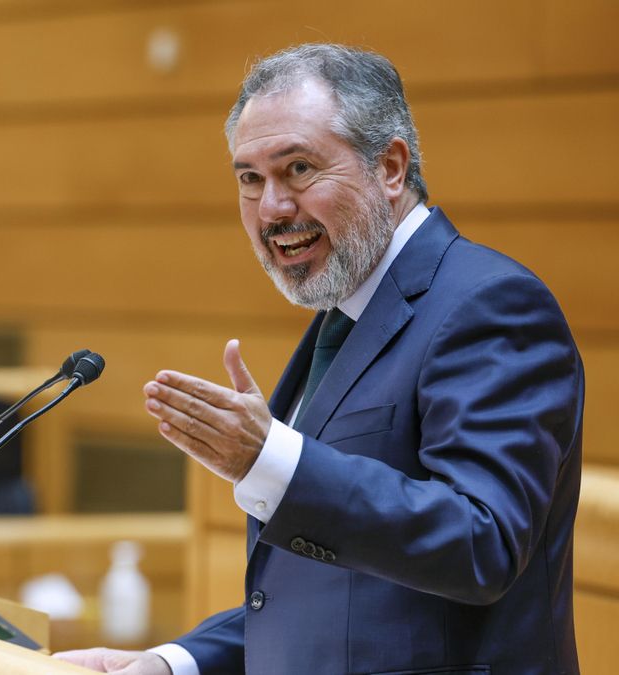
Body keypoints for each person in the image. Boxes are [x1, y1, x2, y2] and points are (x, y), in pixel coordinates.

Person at [56, 44, 583, 674]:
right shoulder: (346, 313)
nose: (272, 209)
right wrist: (176, 662)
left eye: (298, 169)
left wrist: (270, 459)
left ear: (389, 167)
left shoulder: (488, 303)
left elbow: (482, 542)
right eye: (250, 179)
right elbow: (332, 594)